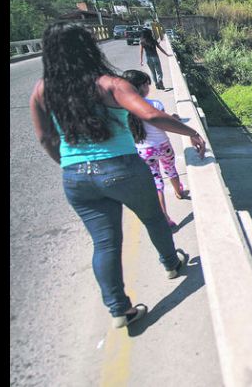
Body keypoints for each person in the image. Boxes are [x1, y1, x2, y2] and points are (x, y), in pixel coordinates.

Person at [29, 22, 207, 329]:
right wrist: (192, 132)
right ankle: (171, 263)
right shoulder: (110, 84)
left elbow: (46, 138)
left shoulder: (43, 89)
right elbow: (150, 114)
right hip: (122, 169)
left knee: (105, 243)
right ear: (89, 47)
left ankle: (119, 309)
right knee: (152, 218)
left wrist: (70, 166)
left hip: (77, 178)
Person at [122, 70, 189, 228]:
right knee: (171, 169)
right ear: (142, 86)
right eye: (147, 84)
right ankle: (179, 192)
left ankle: (165, 217)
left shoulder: (125, 110)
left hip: (144, 150)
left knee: (157, 181)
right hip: (163, 146)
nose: (148, 87)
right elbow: (165, 121)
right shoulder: (156, 104)